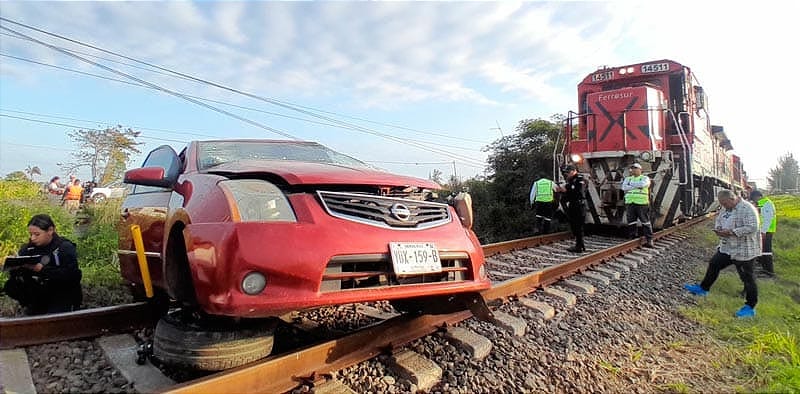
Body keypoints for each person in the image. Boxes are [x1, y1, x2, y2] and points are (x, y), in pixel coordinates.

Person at [684, 189, 760, 318]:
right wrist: (719, 229)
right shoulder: (726, 208)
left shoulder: (747, 208)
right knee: (714, 264)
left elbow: (753, 227)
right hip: (727, 248)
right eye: (722, 204)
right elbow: (719, 219)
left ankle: (750, 307)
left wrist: (732, 232)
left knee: (748, 278)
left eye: (725, 203)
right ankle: (703, 289)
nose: (723, 206)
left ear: (732, 199)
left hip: (744, 250)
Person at [3, 214, 83, 315]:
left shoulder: (64, 248)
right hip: (38, 295)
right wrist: (15, 267)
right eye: (31, 234)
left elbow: (73, 276)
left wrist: (42, 270)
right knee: (11, 285)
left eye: (37, 234)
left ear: (50, 230)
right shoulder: (28, 249)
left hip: (62, 294)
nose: (33, 238)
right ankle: (31, 308)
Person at [621, 163, 654, 248]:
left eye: (635, 168)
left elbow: (643, 185)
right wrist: (636, 186)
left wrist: (631, 185)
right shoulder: (628, 178)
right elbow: (624, 187)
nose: (633, 170)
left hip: (642, 203)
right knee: (631, 221)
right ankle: (633, 238)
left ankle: (649, 239)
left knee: (645, 222)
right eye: (632, 168)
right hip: (630, 203)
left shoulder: (645, 178)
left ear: (640, 169)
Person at [557, 164, 587, 253]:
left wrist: (566, 190)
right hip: (573, 204)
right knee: (574, 226)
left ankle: (579, 246)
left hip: (578, 205)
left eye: (569, 172)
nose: (567, 174)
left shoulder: (579, 179)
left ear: (574, 171)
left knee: (578, 226)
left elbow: (579, 191)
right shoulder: (571, 180)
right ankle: (580, 245)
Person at [750, 189, 776, 277]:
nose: (754, 201)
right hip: (765, 231)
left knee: (766, 251)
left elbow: (767, 219)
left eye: (754, 199)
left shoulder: (766, 204)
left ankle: (769, 272)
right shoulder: (763, 204)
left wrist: (763, 232)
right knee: (763, 250)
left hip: (767, 231)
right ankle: (765, 269)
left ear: (757, 196)